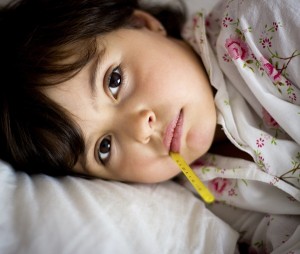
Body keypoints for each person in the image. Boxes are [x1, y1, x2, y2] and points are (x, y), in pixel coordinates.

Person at [0, 0, 299, 252]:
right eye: (104, 147)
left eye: (113, 81)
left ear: (142, 23)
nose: (140, 130)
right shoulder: (204, 195)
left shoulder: (258, 28)